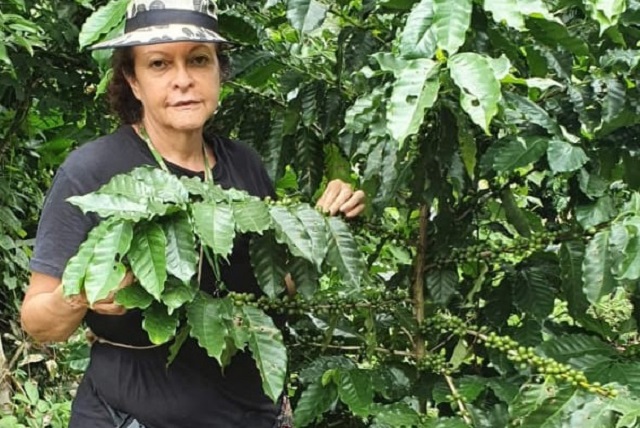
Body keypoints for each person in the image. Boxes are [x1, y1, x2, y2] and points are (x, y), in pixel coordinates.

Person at [19, 1, 365, 426]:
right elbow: (38, 323)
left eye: (199, 60)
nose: (183, 80)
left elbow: (275, 287)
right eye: (160, 64)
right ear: (133, 79)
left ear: (220, 69)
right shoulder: (92, 173)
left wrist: (319, 227)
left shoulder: (245, 165)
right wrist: (83, 292)